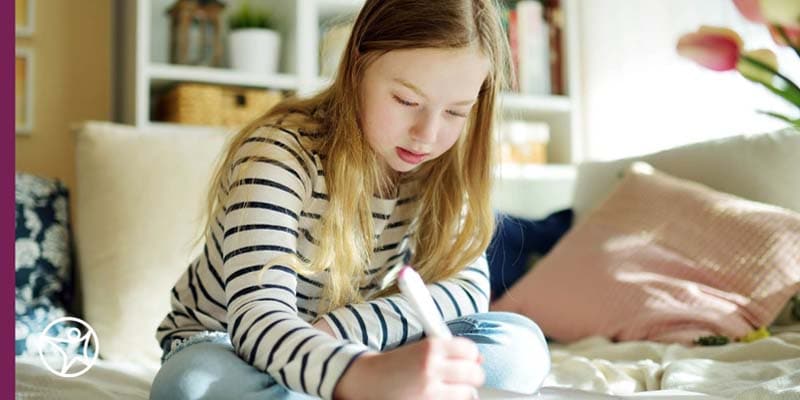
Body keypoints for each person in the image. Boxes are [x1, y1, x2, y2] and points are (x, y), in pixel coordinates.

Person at [150, 0, 549, 399]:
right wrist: (360, 373)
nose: (426, 134)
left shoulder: (441, 169)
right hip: (234, 346)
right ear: (357, 64)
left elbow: (466, 290)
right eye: (406, 101)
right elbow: (258, 319)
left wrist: (345, 336)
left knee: (519, 348)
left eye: (456, 112)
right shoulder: (278, 153)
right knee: (190, 385)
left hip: (354, 347)